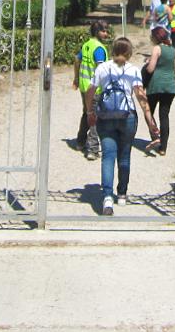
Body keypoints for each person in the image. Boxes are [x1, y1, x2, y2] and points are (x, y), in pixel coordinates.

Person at [85, 36, 158, 216]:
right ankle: (123, 193)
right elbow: (141, 97)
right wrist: (151, 122)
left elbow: (90, 91)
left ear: (112, 51)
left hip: (106, 116)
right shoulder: (132, 70)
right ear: (129, 53)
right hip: (128, 117)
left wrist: (89, 112)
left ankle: (107, 198)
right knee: (124, 156)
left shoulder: (102, 68)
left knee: (108, 156)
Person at [72, 20, 109, 160]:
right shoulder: (99, 48)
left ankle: (80, 142)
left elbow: (77, 60)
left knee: (86, 112)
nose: (106, 33)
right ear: (96, 32)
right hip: (94, 88)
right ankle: (92, 149)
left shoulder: (86, 45)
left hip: (83, 85)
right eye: (104, 31)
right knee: (94, 116)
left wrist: (76, 78)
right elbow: (101, 69)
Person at [143, 26, 175, 156]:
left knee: (149, 112)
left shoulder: (157, 48)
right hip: (170, 87)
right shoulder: (173, 50)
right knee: (164, 116)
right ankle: (163, 147)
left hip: (155, 86)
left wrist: (148, 62)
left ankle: (155, 135)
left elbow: (150, 69)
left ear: (156, 37)